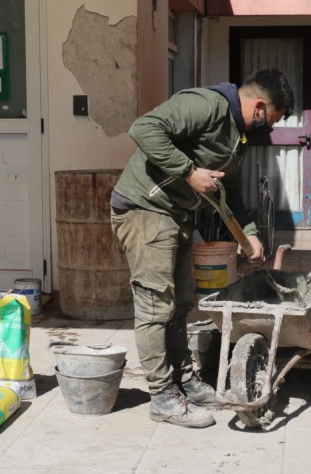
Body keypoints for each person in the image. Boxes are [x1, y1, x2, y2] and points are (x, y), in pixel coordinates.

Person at [109, 68, 294, 428]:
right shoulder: (206, 105)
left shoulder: (237, 136)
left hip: (176, 215)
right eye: (272, 120)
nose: (269, 129)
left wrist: (250, 233)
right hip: (146, 209)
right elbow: (143, 129)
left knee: (180, 302)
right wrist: (189, 170)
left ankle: (184, 379)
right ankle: (161, 396)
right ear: (259, 107)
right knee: (155, 304)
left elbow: (234, 190)